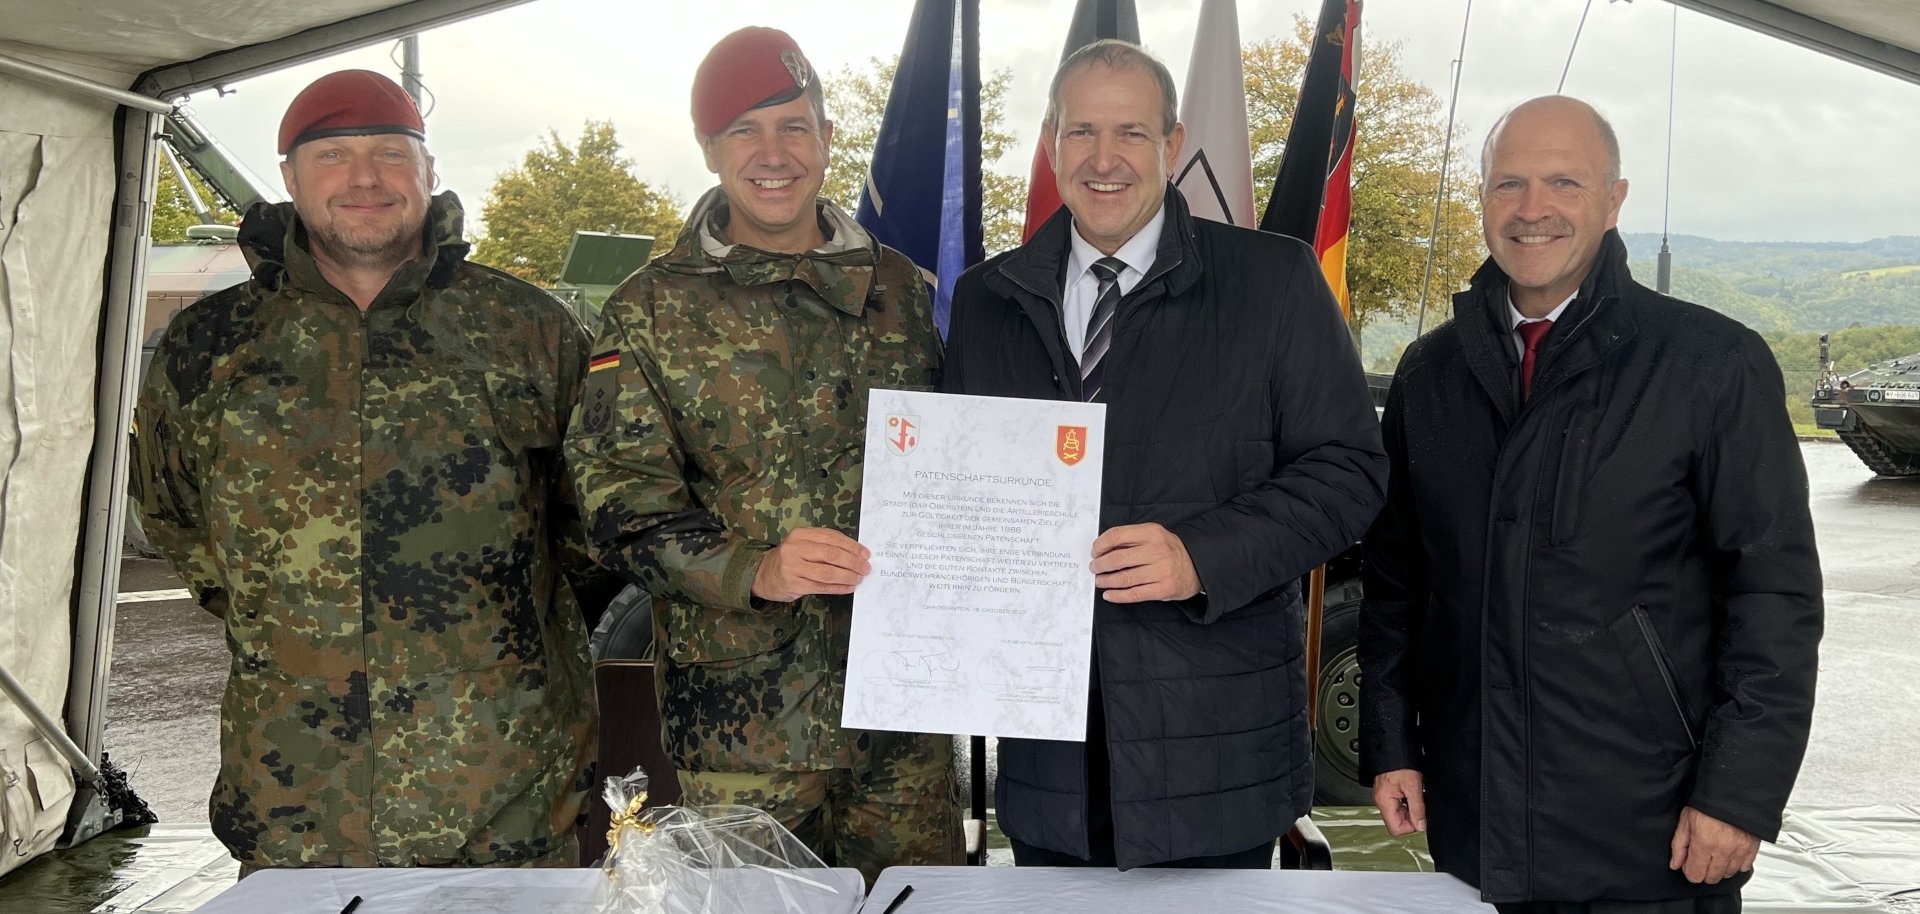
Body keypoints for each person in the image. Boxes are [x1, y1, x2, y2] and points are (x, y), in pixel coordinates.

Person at [131, 69, 615, 870]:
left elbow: (587, 524)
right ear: (290, 178)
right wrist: (290, 621)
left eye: (392, 153)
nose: (365, 178)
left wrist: (487, 628)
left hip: (503, 799)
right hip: (296, 803)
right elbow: (177, 517)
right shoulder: (210, 345)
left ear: (428, 173)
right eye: (332, 156)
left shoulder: (526, 329)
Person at [1359, 95, 1823, 913]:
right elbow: (1400, 588)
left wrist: (1739, 796)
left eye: (1564, 183)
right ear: (1481, 199)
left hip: (1655, 835)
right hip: (1474, 824)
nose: (1532, 210)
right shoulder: (1430, 375)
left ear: (1614, 199)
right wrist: (1392, 744)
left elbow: (1775, 601)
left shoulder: (1713, 365)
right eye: (1509, 185)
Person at [940, 39, 1387, 870]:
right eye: (1081, 133)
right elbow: (960, 494)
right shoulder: (986, 302)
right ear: (1050, 144)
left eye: (1132, 134)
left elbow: (1350, 472)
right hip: (1050, 760)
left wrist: (1200, 556)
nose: (1104, 159)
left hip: (1214, 755)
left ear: (1173, 146)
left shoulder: (1275, 282)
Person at [563, 27, 959, 884]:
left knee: (924, 902)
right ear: (709, 148)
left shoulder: (900, 290)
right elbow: (618, 505)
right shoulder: (650, 309)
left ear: (824, 138)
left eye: (794, 125)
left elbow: (960, 462)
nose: (773, 153)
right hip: (744, 727)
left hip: (906, 711)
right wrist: (756, 569)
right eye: (744, 130)